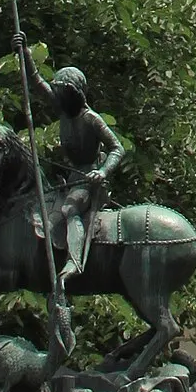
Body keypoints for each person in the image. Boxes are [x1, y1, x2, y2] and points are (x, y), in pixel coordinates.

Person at [42, 64, 127, 274]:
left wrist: (102, 172)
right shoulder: (64, 113)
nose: (58, 98)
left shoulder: (91, 119)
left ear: (74, 93)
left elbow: (117, 148)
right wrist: (24, 53)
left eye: (63, 93)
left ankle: (74, 261)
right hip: (70, 177)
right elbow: (38, 85)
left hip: (88, 178)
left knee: (70, 209)